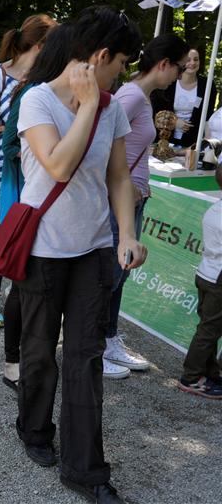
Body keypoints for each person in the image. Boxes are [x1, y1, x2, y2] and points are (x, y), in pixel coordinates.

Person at [15, 6, 145, 503]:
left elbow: (118, 177)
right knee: (40, 348)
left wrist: (125, 235)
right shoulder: (37, 101)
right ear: (101, 56)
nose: (121, 76)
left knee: (86, 358)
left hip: (94, 249)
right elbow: (60, 165)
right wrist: (88, 105)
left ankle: (86, 471)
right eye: (120, 65)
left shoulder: (112, 107)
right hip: (44, 248)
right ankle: (33, 429)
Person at [0, 23, 73, 391]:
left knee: (26, 286)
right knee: (21, 283)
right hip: (27, 200)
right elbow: (9, 146)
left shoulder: (57, 95)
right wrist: (38, 156)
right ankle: (12, 362)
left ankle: (22, 359)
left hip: (44, 202)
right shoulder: (32, 95)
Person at [105, 34, 190, 379]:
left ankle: (107, 339)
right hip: (120, 200)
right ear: (164, 64)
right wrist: (124, 189)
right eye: (179, 67)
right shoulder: (131, 96)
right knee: (110, 275)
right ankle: (95, 346)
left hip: (132, 198)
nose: (180, 74)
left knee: (119, 274)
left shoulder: (140, 96)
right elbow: (102, 140)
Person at [0, 13, 55, 327]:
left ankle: (18, 299)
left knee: (27, 239)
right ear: (38, 44)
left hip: (31, 177)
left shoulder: (46, 80)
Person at [178, 163, 222, 400]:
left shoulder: (215, 209)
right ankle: (192, 376)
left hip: (207, 274)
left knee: (211, 327)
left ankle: (209, 371)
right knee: (209, 329)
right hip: (217, 279)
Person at [152, 47, 217, 150]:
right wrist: (174, 122)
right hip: (164, 141)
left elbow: (208, 117)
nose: (192, 63)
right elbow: (156, 112)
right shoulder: (170, 82)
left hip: (191, 144)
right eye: (188, 59)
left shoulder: (207, 85)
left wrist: (206, 141)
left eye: (196, 59)